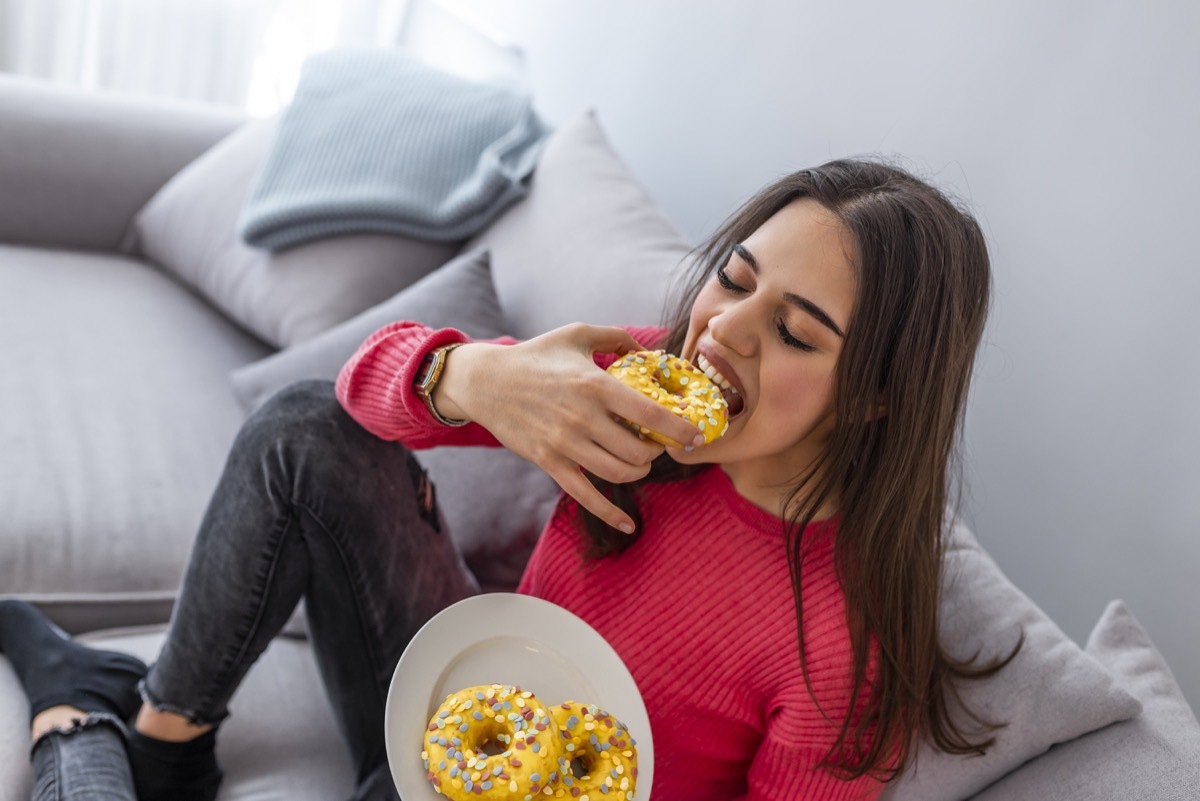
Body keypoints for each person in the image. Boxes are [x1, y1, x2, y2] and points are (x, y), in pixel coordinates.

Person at [1, 158, 1017, 801]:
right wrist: (473, 376)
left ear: (878, 397)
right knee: (303, 428)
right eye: (735, 280)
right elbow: (353, 397)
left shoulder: (840, 656)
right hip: (446, 693)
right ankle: (168, 745)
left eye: (795, 332)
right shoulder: (638, 382)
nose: (721, 334)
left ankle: (76, 713)